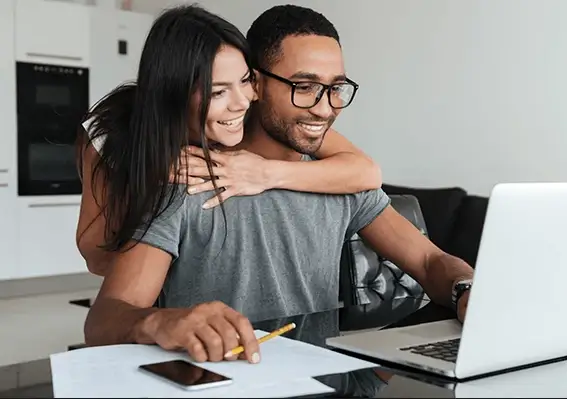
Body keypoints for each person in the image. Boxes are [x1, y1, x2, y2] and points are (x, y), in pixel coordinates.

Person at [84, 4, 475, 366]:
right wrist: (159, 322)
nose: (324, 108)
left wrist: (466, 290)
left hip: (325, 386)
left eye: (335, 88)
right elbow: (105, 318)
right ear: (257, 83)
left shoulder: (339, 182)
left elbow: (429, 261)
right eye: (303, 87)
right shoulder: (187, 178)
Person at [75, 9, 382, 277]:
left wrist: (262, 173)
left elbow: (366, 173)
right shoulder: (113, 133)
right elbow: (95, 255)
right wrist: (151, 180)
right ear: (176, 94)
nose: (242, 102)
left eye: (246, 80)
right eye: (218, 92)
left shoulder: (253, 110)